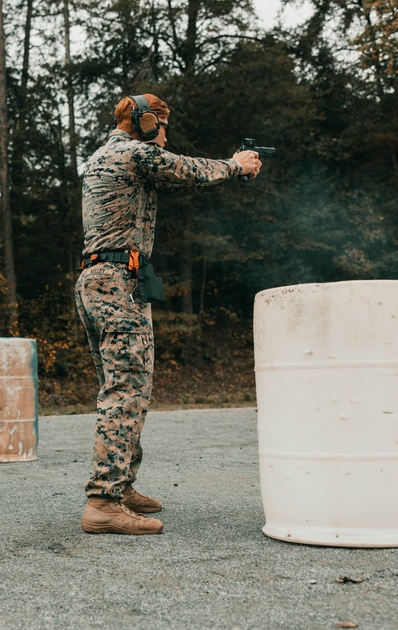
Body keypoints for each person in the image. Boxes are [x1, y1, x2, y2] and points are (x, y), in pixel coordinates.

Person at [74, 94, 263, 535]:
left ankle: (119, 487)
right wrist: (236, 164)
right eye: (161, 125)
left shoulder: (109, 156)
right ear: (142, 124)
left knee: (124, 387)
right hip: (117, 281)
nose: (165, 135)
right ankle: (103, 501)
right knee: (127, 389)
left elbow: (171, 174)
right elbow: (187, 170)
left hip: (104, 279)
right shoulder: (133, 153)